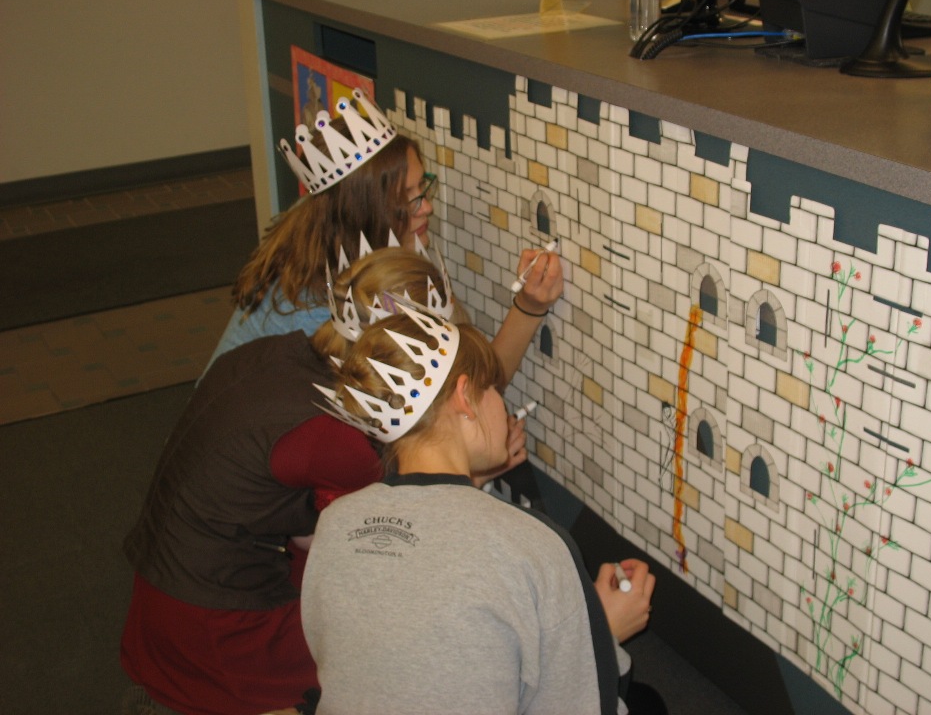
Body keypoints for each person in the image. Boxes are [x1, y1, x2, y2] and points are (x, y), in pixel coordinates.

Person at [121, 248, 521, 715]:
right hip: (213, 627)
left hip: (159, 589)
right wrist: (473, 475)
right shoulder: (340, 437)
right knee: (394, 651)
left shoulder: (277, 354)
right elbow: (396, 557)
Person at [303, 302, 655, 714]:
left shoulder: (336, 523)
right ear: (465, 398)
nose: (502, 406)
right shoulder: (535, 545)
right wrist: (602, 630)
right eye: (494, 390)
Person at [207, 88, 562, 389]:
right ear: (366, 216)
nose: (427, 207)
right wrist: (529, 307)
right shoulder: (351, 314)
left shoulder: (318, 224)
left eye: (422, 187)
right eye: (406, 200)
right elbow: (474, 390)